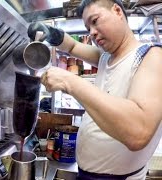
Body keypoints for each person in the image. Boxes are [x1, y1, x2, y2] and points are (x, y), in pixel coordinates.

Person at [28, 0, 162, 179]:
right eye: (87, 27)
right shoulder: (106, 57)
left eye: (95, 20)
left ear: (117, 11)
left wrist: (70, 82)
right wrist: (51, 34)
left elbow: (138, 132)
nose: (91, 32)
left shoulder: (151, 57)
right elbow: (72, 47)